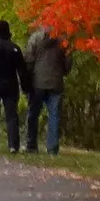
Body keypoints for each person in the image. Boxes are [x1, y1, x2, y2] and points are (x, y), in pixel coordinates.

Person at [0, 20, 28, 153]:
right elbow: (22, 70)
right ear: (8, 33)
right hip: (10, 85)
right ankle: (13, 144)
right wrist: (25, 86)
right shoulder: (15, 49)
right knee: (12, 115)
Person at [23, 24, 70, 153]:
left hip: (37, 83)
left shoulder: (35, 38)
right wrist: (63, 72)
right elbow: (68, 63)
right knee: (54, 115)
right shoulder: (63, 40)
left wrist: (27, 79)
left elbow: (28, 60)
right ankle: (52, 148)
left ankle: (31, 145)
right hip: (56, 83)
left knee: (33, 114)